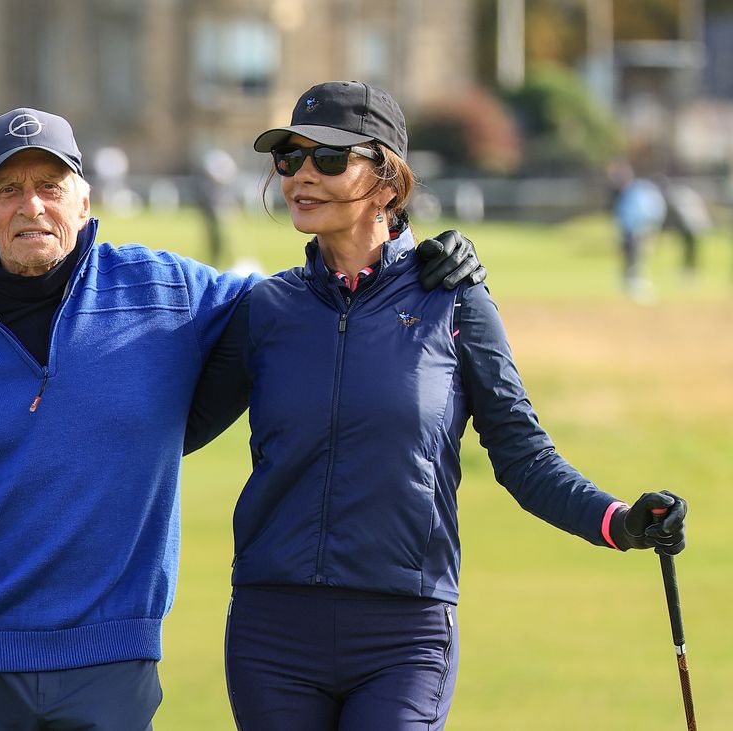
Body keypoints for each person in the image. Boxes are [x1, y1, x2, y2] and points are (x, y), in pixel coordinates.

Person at [0, 106, 484, 730]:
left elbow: (308, 300)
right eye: (8, 189)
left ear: (84, 201)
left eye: (49, 186)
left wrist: (410, 255)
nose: (31, 206)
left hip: (109, 669)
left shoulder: (167, 291)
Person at [184, 81, 689, 731]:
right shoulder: (265, 309)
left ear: (388, 182)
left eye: (330, 159)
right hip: (273, 632)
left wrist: (618, 519)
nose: (302, 176)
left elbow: (523, 454)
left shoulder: (454, 299)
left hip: (404, 633)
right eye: (290, 158)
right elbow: (172, 427)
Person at [608, 160, 667, 301]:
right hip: (631, 230)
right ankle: (630, 284)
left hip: (639, 229)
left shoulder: (637, 191)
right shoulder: (627, 192)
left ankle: (636, 284)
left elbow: (647, 210)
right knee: (630, 258)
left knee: (637, 258)